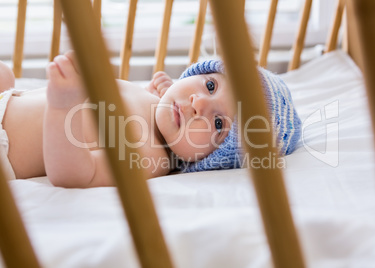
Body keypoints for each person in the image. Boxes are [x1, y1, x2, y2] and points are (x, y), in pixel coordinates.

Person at [0, 51, 301, 188]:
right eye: (210, 86)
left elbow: (75, 175)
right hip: (9, 99)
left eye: (219, 123)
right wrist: (158, 92)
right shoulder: (160, 106)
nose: (198, 104)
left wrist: (62, 106)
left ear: (210, 159)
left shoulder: (152, 156)